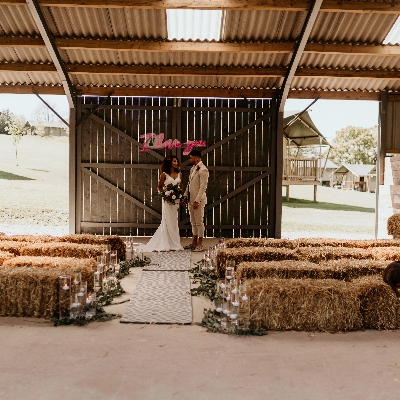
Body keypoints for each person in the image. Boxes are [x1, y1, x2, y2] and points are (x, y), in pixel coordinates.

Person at [142, 156, 184, 252]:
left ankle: (175, 243)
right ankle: (166, 242)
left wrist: (179, 196)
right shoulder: (164, 175)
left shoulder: (179, 174)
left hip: (175, 201)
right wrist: (165, 195)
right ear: (169, 163)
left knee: (174, 221)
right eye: (174, 161)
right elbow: (159, 187)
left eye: (177, 161)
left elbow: (180, 186)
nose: (176, 162)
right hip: (167, 200)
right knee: (167, 219)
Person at [183, 149, 209, 252]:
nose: (189, 159)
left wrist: (197, 201)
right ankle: (194, 242)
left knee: (199, 222)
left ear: (196, 158)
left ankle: (200, 244)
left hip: (198, 200)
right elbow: (189, 185)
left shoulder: (203, 169)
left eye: (191, 158)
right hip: (190, 199)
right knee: (193, 222)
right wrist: (185, 196)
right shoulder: (193, 168)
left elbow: (203, 187)